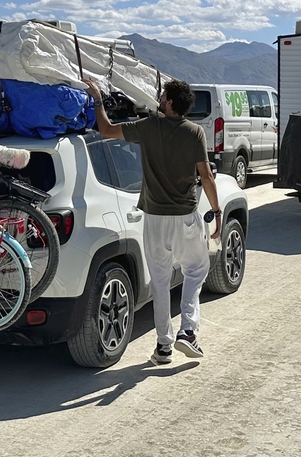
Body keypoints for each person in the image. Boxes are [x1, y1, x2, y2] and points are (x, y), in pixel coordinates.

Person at [83, 77, 221, 366]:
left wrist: (97, 97)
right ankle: (188, 330)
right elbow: (206, 176)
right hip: (184, 217)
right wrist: (217, 213)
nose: (158, 98)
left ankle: (164, 346)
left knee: (159, 282)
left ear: (169, 102)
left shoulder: (148, 128)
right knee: (196, 270)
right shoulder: (194, 132)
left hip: (154, 219)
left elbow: (105, 129)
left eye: (162, 95)